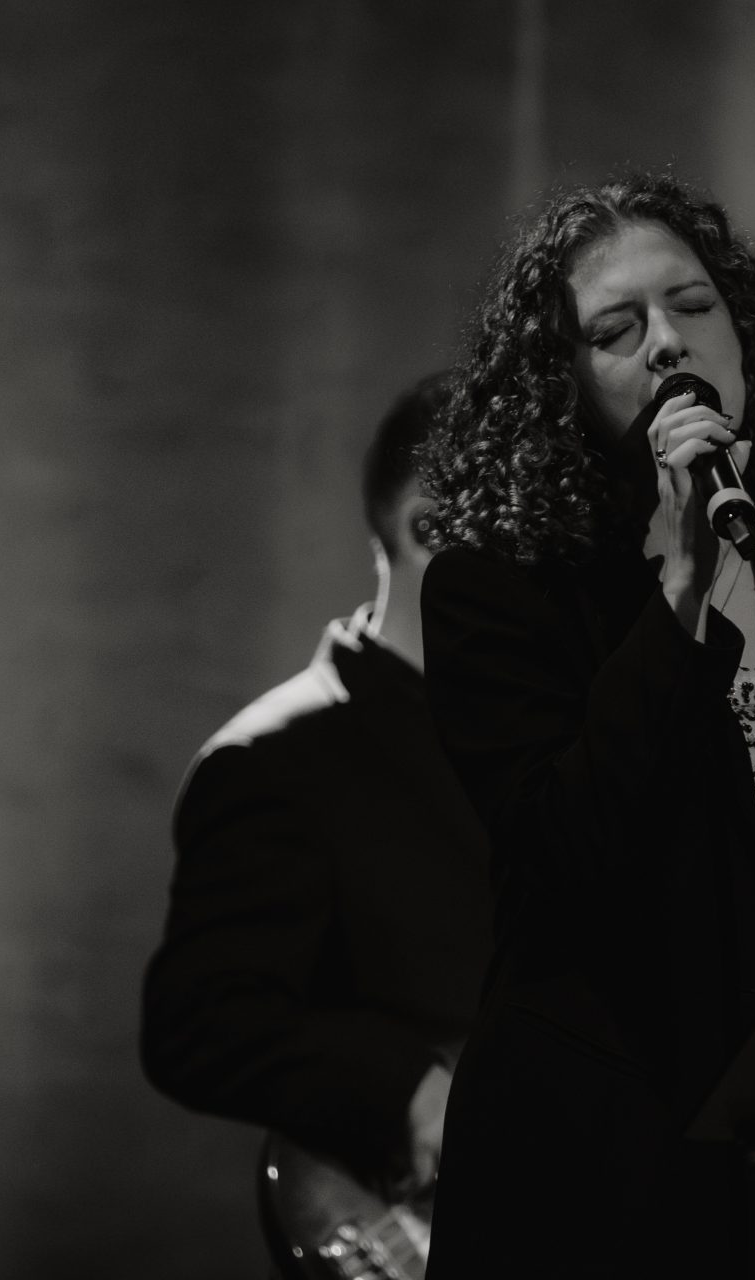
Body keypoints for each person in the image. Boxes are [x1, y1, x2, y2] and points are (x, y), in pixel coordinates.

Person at [417, 173, 755, 1279]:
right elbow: (558, 853)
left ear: (746, 335)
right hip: (604, 1167)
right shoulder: (498, 591)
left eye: (693, 304)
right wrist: (680, 589)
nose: (670, 343)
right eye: (616, 330)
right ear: (561, 384)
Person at [140, 375, 491, 1215]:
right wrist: (412, 1092)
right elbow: (201, 1024)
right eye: (537, 527)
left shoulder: (550, 742)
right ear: (429, 529)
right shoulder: (274, 759)